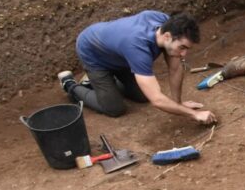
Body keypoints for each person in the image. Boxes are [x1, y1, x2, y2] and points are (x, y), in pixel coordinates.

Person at [57, 11, 216, 125]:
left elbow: (175, 68)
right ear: (167, 37)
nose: (184, 54)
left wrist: (178, 103)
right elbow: (157, 100)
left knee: (142, 96)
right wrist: (195, 114)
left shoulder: (166, 24)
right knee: (114, 108)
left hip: (120, 56)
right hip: (93, 53)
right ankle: (70, 85)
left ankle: (104, 85)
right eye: (182, 47)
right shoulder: (138, 48)